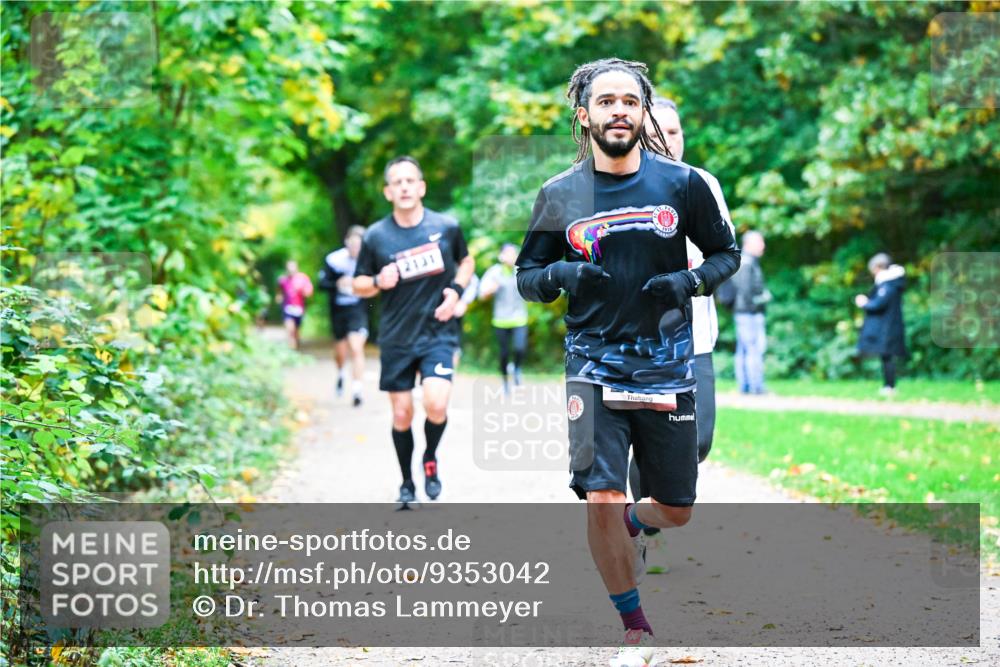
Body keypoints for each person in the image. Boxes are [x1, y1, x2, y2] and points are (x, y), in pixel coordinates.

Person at [514, 58, 740, 665]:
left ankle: (641, 526)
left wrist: (689, 283)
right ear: (583, 114)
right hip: (591, 362)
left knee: (678, 509)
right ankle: (634, 626)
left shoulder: (682, 184)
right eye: (606, 101)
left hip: (668, 364)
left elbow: (726, 254)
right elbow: (527, 278)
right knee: (602, 497)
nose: (619, 110)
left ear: (643, 114)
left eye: (630, 102)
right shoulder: (560, 195)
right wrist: (560, 272)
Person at [625, 95, 737, 576]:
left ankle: (633, 518)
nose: (669, 139)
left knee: (699, 442)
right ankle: (648, 535)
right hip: (642, 342)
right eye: (660, 131)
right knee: (648, 445)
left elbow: (724, 253)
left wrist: (693, 275)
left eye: (676, 131)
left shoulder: (701, 184)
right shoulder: (623, 184)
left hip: (697, 339)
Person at [353, 156, 475, 507]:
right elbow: (358, 283)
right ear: (388, 192)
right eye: (397, 182)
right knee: (403, 413)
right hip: (397, 337)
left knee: (436, 404)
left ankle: (430, 459)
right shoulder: (376, 236)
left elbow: (466, 261)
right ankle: (407, 483)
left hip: (438, 332)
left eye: (410, 181)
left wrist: (456, 291)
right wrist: (377, 280)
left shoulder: (447, 227)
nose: (404, 187)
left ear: (421, 187)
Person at [318, 225, 369, 407]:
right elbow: (322, 284)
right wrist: (337, 283)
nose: (355, 249)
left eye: (359, 245)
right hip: (338, 309)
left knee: (356, 347)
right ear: (347, 243)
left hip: (357, 309)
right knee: (340, 351)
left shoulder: (368, 261)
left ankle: (357, 389)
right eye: (352, 245)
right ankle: (341, 373)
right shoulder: (334, 260)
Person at [479, 243, 530, 394]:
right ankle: (505, 383)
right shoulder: (494, 272)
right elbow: (481, 294)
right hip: (500, 320)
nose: (511, 256)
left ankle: (516, 368)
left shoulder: (521, 271)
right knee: (503, 353)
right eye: (507, 253)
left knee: (520, 348)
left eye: (514, 253)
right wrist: (489, 291)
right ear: (501, 256)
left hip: (519, 318)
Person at [855, 253, 907, 397]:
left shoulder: (888, 285)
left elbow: (879, 304)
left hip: (888, 328)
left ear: (878, 267)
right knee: (886, 357)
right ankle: (888, 386)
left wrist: (864, 303)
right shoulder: (890, 283)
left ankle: (889, 386)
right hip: (888, 326)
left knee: (887, 357)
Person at [730, 231, 770, 394]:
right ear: (749, 244)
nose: (763, 245)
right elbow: (746, 292)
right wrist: (762, 298)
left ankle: (745, 387)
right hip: (749, 313)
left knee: (744, 349)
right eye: (760, 242)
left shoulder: (744, 261)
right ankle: (756, 387)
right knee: (754, 348)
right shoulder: (746, 263)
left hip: (743, 312)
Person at [277, 260, 314, 350]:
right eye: (289, 267)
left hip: (299, 308)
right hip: (287, 308)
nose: (291, 269)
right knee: (290, 329)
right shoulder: (283, 280)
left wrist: (304, 291)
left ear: (297, 268)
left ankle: (296, 347)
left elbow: (309, 292)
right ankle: (292, 350)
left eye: (292, 267)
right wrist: (279, 297)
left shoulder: (303, 278)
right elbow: (279, 291)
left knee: (296, 331)